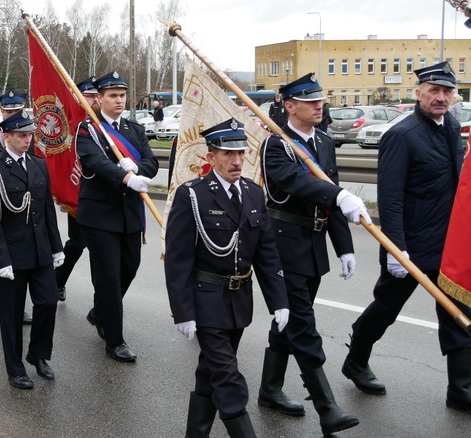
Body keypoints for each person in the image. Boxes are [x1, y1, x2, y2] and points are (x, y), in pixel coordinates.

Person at [343, 62, 471, 412]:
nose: (441, 98)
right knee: (387, 307)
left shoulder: (452, 128)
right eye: (434, 91)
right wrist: (396, 248)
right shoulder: (401, 135)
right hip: (411, 246)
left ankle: (460, 390)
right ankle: (355, 359)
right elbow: (391, 196)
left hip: (447, 245)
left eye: (447, 92)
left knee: (457, 309)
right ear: (419, 93)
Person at [258, 72, 371, 435]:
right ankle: (326, 407)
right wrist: (338, 196)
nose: (319, 105)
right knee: (303, 326)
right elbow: (299, 182)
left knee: (287, 320)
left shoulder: (323, 140)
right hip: (283, 244)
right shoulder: (277, 144)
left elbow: (330, 191)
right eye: (310, 101)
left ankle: (270, 389)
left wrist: (344, 247)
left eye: (320, 100)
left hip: (313, 244)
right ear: (289, 106)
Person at [165, 118, 289, 437]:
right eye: (227, 154)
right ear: (211, 157)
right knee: (228, 374)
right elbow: (178, 260)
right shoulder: (192, 195)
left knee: (210, 372)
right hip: (205, 299)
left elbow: (266, 253)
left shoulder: (253, 193)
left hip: (238, 301)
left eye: (240, 153)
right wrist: (183, 312)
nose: (236, 161)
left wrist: (279, 302)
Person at [75, 71, 159, 362]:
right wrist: (125, 178)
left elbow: (151, 162)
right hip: (99, 216)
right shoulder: (89, 130)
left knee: (130, 268)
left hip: (129, 216)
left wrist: (135, 166)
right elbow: (94, 162)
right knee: (109, 278)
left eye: (122, 95)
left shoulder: (134, 129)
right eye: (112, 95)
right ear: (99, 99)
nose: (119, 100)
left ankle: (100, 312)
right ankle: (115, 340)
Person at [0, 110, 64, 389]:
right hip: (13, 257)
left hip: (40, 252)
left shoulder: (38, 164)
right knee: (12, 315)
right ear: (7, 136)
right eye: (21, 135)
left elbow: (47, 210)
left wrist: (56, 247)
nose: (27, 140)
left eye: (30, 135)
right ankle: (15, 368)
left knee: (48, 302)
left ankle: (38, 354)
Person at [0, 90, 35, 325]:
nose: (13, 113)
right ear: (2, 111)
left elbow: (35, 159)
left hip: (30, 197)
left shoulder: (28, 131)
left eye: (17, 110)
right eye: (9, 111)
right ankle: (15, 303)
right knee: (10, 252)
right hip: (8, 199)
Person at [55, 76, 98, 302]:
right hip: (78, 194)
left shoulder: (102, 122)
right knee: (78, 244)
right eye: (87, 95)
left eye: (94, 95)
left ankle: (103, 302)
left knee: (101, 252)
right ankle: (58, 280)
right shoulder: (71, 124)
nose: (92, 100)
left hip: (103, 194)